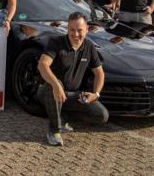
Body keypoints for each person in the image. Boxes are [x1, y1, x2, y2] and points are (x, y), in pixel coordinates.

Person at [37, 12, 108, 146]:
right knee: (54, 85)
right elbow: (42, 65)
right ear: (67, 29)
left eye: (79, 30)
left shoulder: (89, 47)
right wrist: (56, 85)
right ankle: (54, 130)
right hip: (49, 92)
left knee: (102, 115)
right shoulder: (56, 43)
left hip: (74, 95)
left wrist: (95, 94)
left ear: (87, 29)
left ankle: (63, 118)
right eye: (72, 30)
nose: (75, 34)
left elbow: (99, 73)